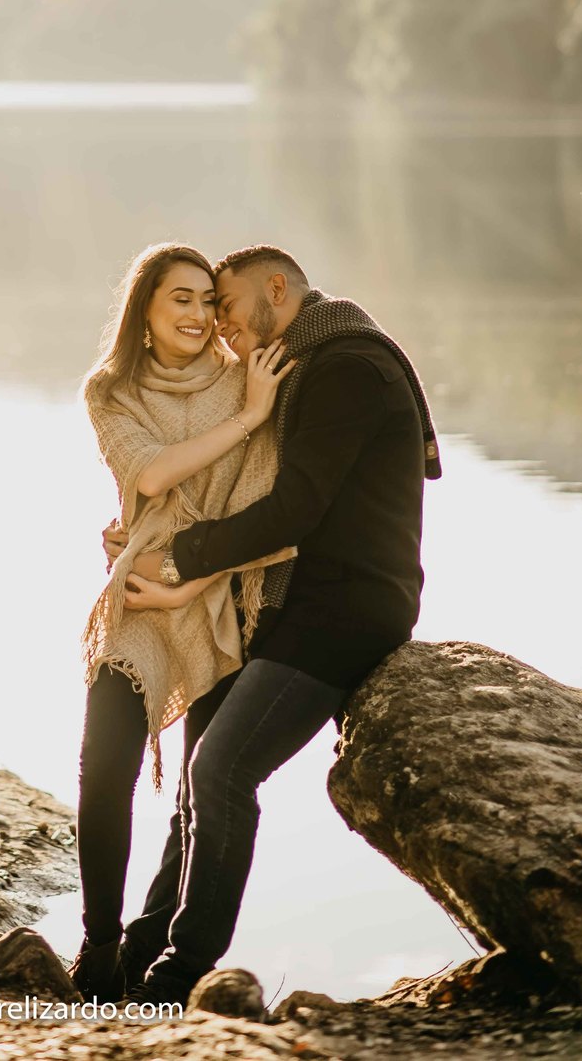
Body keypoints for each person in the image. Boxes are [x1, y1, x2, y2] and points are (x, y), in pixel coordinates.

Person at [106, 244, 439, 1008]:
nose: (219, 325)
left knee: (222, 772)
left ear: (277, 290)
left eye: (225, 305)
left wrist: (178, 560)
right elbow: (230, 481)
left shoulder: (346, 368)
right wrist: (148, 538)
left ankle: (179, 979)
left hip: (348, 609)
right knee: (197, 783)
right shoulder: (302, 364)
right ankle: (138, 956)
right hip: (288, 601)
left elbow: (294, 508)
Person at [70, 241, 295, 1001]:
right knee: (105, 771)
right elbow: (152, 472)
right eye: (183, 299)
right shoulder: (110, 392)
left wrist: (258, 407)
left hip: (224, 594)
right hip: (140, 591)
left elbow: (275, 513)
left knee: (202, 792)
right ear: (145, 312)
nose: (201, 314)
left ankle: (151, 948)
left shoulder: (248, 381)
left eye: (208, 299)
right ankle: (98, 948)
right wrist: (249, 419)